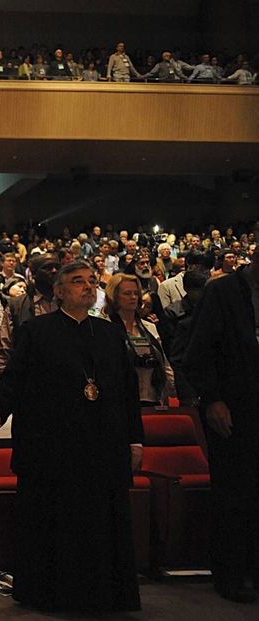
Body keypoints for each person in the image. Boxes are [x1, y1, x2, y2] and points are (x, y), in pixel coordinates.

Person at [0, 260, 142, 612]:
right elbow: (15, 380)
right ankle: (51, 594)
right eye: (78, 282)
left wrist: (135, 439)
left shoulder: (109, 334)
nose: (88, 287)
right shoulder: (37, 331)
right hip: (53, 448)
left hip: (102, 446)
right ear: (60, 292)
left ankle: (104, 595)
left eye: (92, 281)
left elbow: (127, 392)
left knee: (101, 524)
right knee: (55, 523)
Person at [183, 256, 259, 603]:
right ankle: (232, 574)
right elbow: (197, 351)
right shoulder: (223, 292)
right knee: (235, 493)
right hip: (233, 406)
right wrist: (212, 398)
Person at [105, 274, 174, 405]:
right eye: (127, 293)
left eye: (136, 293)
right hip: (120, 399)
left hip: (151, 396)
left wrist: (173, 387)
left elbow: (163, 362)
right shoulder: (105, 327)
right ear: (114, 297)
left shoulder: (149, 327)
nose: (133, 297)